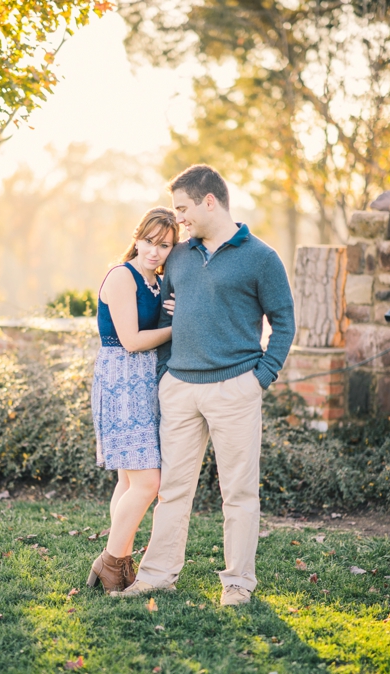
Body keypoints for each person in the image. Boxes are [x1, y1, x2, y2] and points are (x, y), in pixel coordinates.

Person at [112, 165, 296, 606]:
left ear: (209, 201)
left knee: (238, 493)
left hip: (236, 389)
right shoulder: (178, 256)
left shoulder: (261, 258)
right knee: (172, 489)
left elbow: (285, 323)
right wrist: (163, 378)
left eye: (183, 208)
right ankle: (157, 575)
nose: (179, 219)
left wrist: (260, 379)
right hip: (180, 389)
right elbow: (164, 318)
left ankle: (237, 583)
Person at [87, 207, 180, 593]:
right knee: (148, 482)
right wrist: (178, 327)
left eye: (165, 245)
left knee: (129, 480)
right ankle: (110, 560)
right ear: (137, 237)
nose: (155, 251)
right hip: (121, 382)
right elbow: (130, 341)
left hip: (143, 383)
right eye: (150, 241)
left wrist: (171, 311)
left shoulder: (155, 282)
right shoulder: (123, 276)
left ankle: (120, 562)